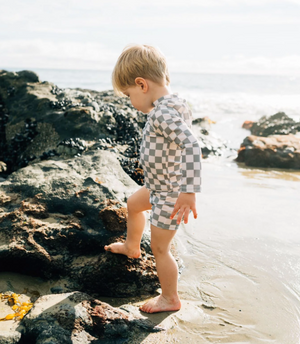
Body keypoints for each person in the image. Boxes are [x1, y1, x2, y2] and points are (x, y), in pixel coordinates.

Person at [104, 44, 202, 314]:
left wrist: (188, 191)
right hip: (158, 187)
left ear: (141, 84)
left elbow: (192, 146)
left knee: (160, 248)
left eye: (128, 94)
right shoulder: (173, 104)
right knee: (134, 204)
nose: (129, 100)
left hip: (170, 194)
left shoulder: (162, 114)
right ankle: (131, 246)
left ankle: (170, 298)